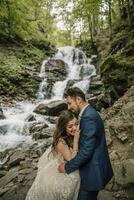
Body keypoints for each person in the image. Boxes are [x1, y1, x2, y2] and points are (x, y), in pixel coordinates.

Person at [58, 87, 113, 200]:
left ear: (78, 99)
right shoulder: (88, 113)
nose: (68, 107)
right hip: (92, 169)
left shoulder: (88, 117)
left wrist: (67, 167)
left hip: (92, 172)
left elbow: (86, 152)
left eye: (69, 103)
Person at [25, 110, 80, 200]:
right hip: (61, 172)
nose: (74, 128)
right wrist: (76, 139)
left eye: (76, 124)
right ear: (64, 128)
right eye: (70, 126)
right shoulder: (61, 141)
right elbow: (72, 162)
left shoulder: (73, 133)